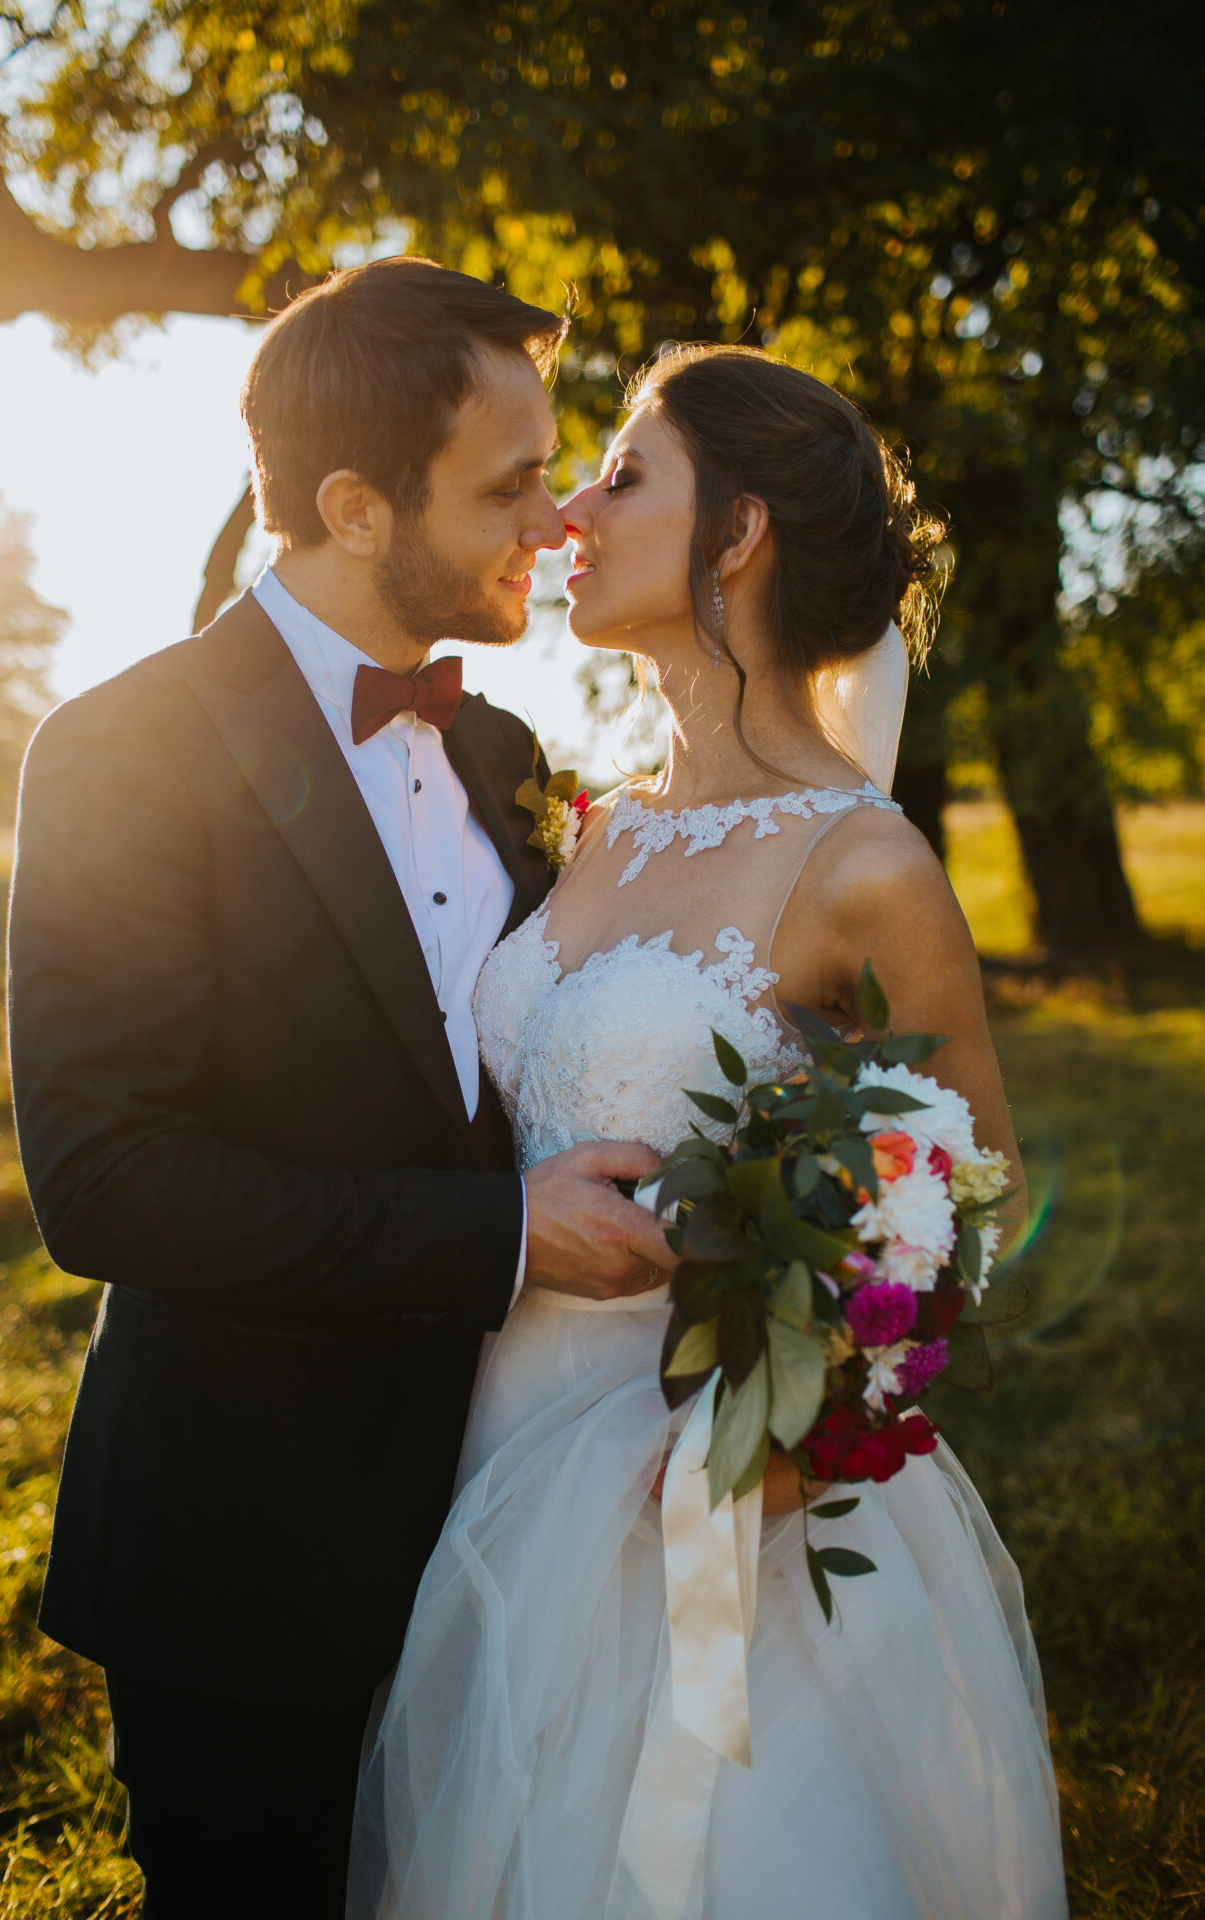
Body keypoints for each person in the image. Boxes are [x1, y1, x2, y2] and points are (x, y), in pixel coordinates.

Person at [348, 344, 1069, 1919]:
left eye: (621, 473)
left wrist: (785, 1437)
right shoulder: (591, 823)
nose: (571, 514)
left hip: (712, 1496)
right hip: (485, 1447)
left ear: (736, 535)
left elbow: (968, 1192)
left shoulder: (864, 865)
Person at [7, 258, 673, 1920]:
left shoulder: (511, 757)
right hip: (247, 1547)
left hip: (522, 1522)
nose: (557, 519)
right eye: (510, 486)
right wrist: (498, 1240)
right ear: (357, 506)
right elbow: (109, 1179)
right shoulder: (119, 751)